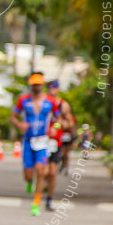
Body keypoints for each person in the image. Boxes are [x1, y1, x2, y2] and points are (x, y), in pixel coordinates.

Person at [11, 72, 59, 216]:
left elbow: (58, 119)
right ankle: (29, 182)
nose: (36, 87)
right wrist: (19, 124)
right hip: (27, 140)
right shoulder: (23, 100)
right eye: (34, 85)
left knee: (41, 171)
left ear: (42, 85)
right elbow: (13, 117)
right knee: (28, 174)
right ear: (30, 85)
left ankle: (36, 203)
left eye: (38, 84)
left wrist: (54, 128)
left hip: (43, 140)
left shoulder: (50, 101)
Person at [43, 80, 75, 209]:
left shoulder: (63, 105)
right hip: (42, 140)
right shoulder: (43, 102)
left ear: (58, 89)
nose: (52, 90)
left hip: (56, 141)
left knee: (53, 172)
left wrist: (62, 124)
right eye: (49, 88)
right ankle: (42, 185)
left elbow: (70, 122)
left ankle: (49, 199)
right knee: (43, 171)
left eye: (54, 88)